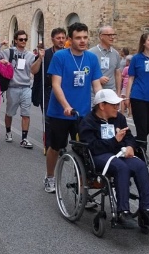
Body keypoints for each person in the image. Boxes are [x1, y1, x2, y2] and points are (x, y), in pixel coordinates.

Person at [79, 89, 149, 229]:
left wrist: (130, 146)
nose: (117, 107)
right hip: (99, 156)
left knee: (141, 165)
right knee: (121, 167)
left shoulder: (119, 118)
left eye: (117, 104)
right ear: (102, 105)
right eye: (113, 105)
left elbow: (129, 136)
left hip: (119, 153)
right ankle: (123, 212)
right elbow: (92, 147)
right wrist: (114, 141)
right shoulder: (88, 121)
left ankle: (146, 211)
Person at [43, 22, 102, 193]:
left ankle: (82, 188)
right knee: (55, 147)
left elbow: (96, 85)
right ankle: (50, 176)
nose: (82, 41)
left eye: (85, 37)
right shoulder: (60, 57)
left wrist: (104, 103)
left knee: (84, 150)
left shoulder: (91, 58)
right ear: (70, 39)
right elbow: (56, 85)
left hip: (82, 113)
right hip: (60, 113)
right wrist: (66, 106)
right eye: (78, 38)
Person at [0, 30, 36, 149]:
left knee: (26, 114)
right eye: (21, 39)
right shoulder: (9, 52)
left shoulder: (30, 55)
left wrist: (40, 58)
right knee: (10, 113)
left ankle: (24, 138)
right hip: (12, 87)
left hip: (26, 87)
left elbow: (34, 69)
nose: (23, 41)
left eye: (25, 39)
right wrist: (0, 44)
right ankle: (8, 132)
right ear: (16, 40)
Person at [31, 27, 67, 152]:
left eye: (63, 38)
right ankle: (49, 144)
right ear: (53, 39)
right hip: (47, 91)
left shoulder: (68, 54)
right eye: (58, 38)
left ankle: (60, 144)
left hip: (63, 91)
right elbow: (33, 71)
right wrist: (40, 59)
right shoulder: (45, 54)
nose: (61, 40)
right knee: (48, 118)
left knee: (62, 119)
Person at [89, 26, 122, 95]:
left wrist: (118, 93)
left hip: (111, 93)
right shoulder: (91, 53)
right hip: (94, 94)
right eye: (109, 35)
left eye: (113, 35)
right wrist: (97, 79)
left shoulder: (115, 53)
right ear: (101, 36)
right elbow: (86, 72)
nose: (112, 37)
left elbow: (118, 74)